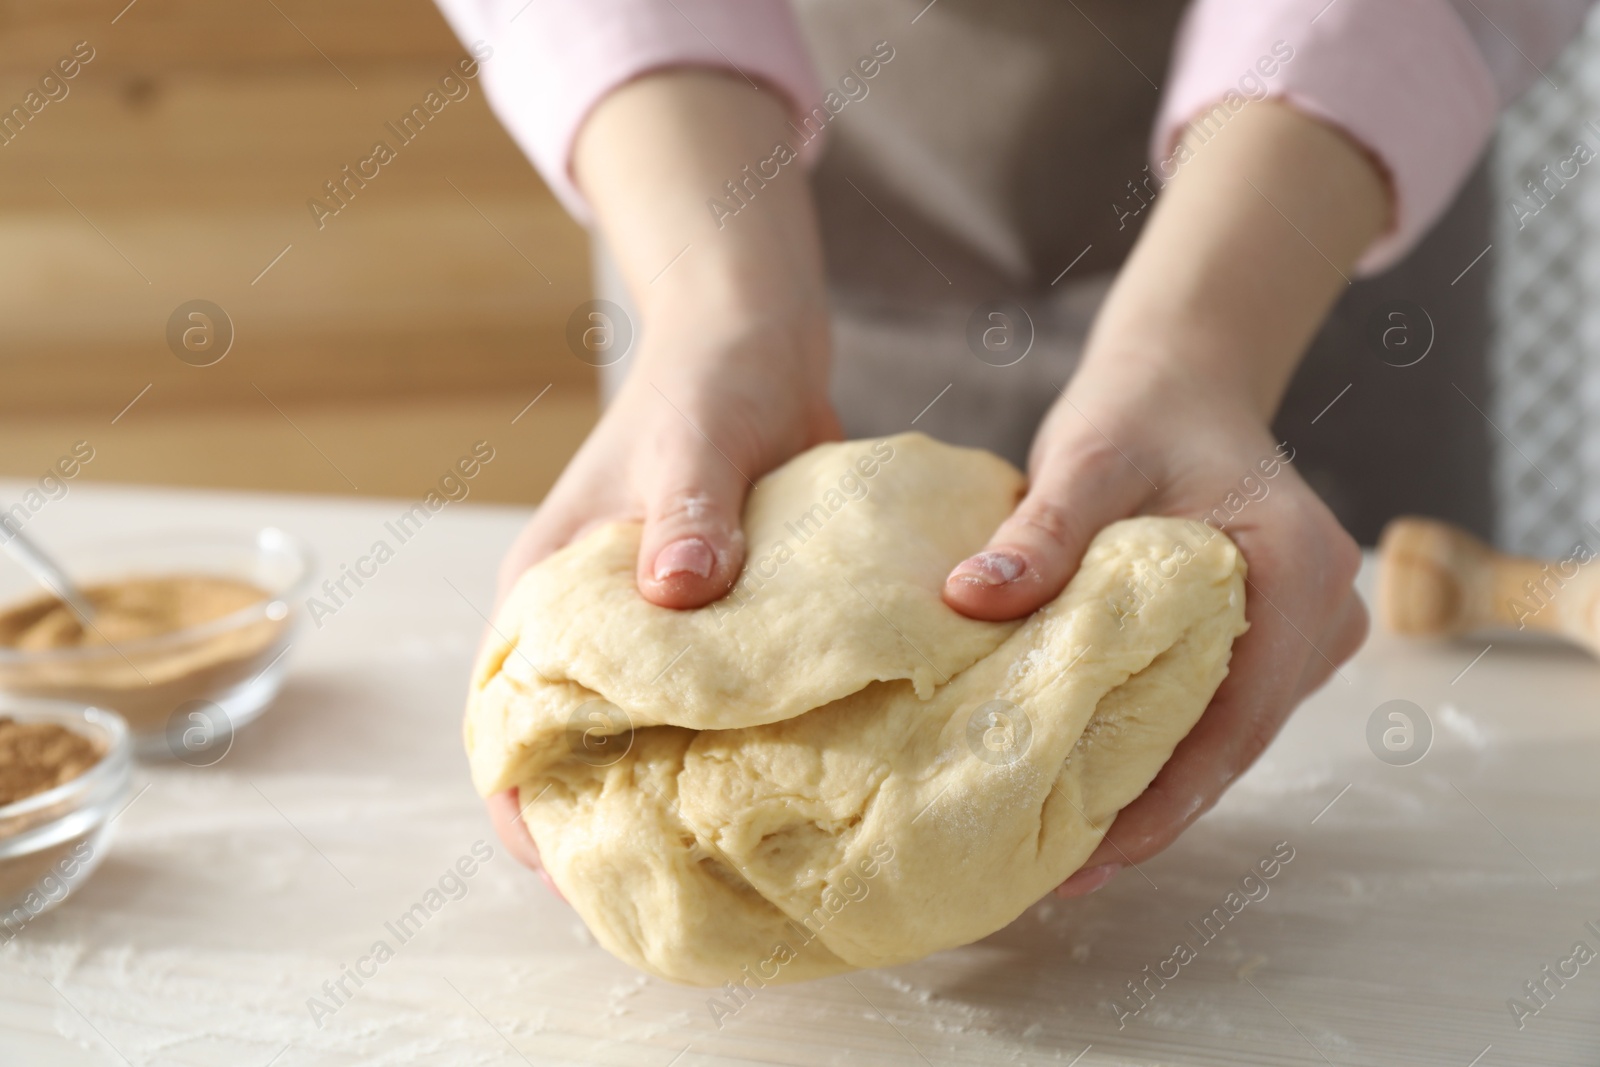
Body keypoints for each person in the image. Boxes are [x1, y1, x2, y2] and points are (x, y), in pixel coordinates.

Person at [433, 0, 1591, 900]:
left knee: (1340, 719)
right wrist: (723, 313)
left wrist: (1203, 346)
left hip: (1292, 219)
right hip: (732, 180)